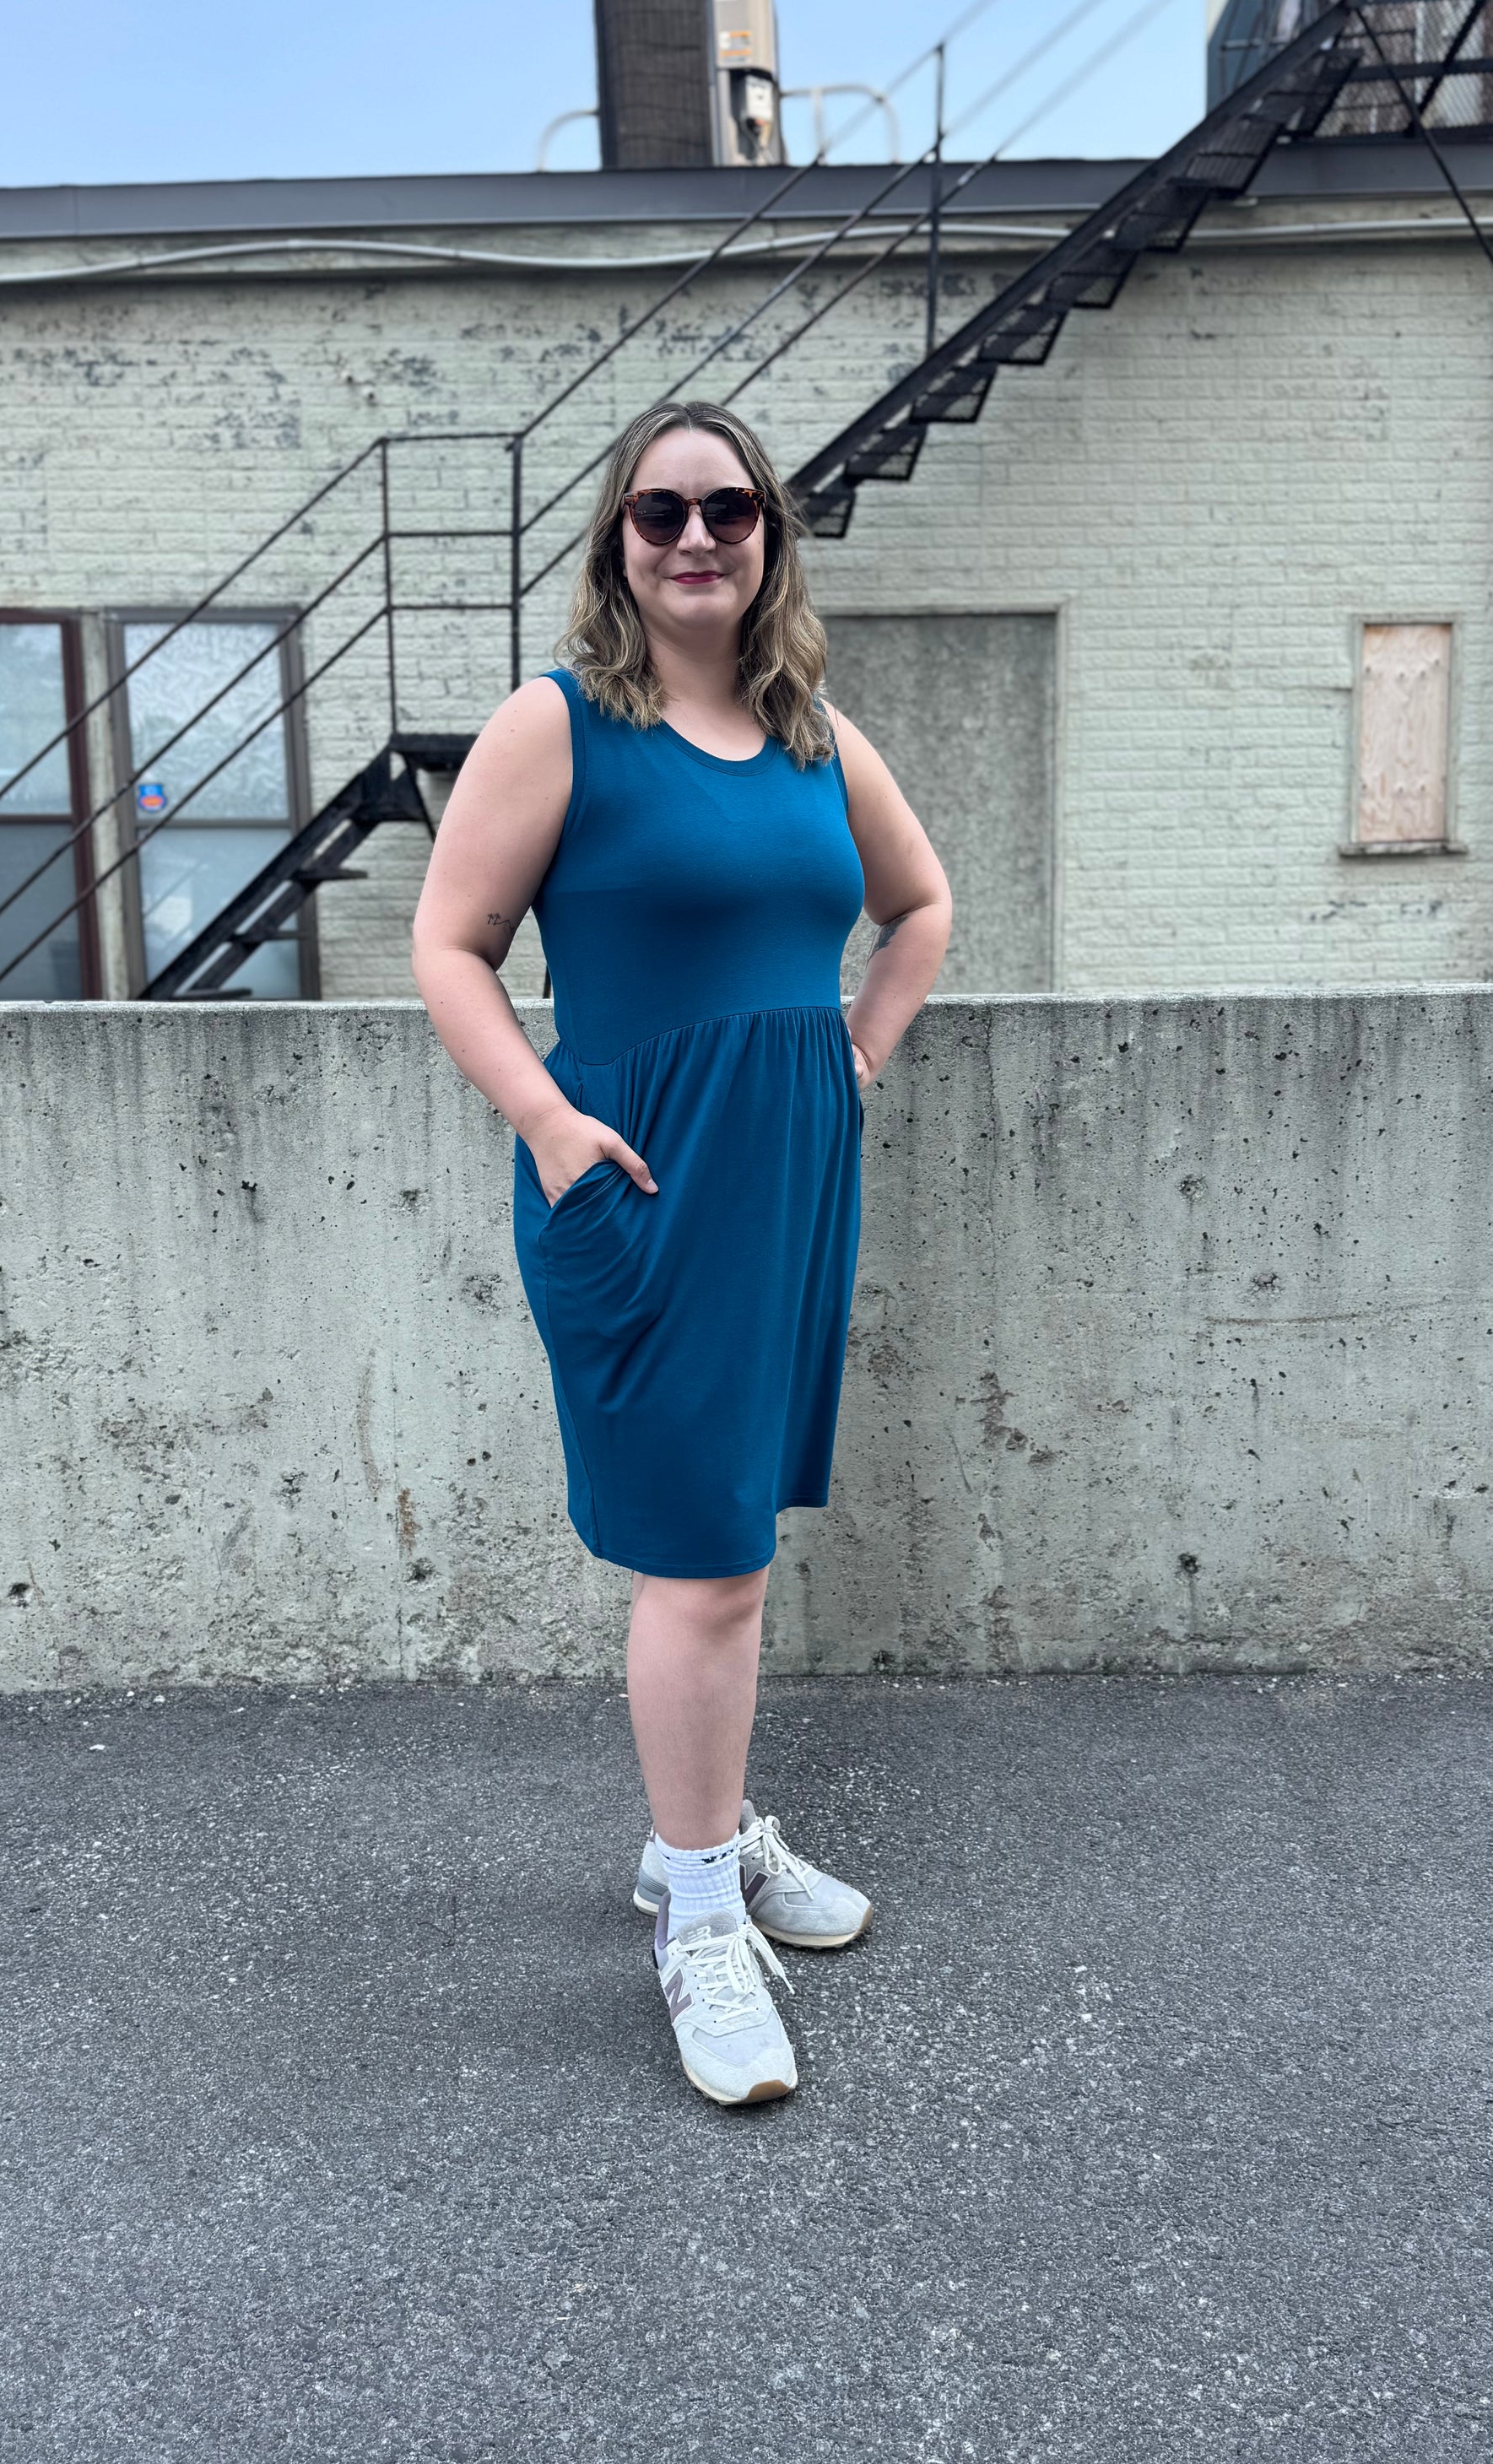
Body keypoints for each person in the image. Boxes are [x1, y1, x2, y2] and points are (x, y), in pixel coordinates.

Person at [412, 398, 951, 2105]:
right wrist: (551, 1127)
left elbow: (920, 902)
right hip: (635, 1180)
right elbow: (448, 940)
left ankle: (694, 1834)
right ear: (617, 545)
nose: (697, 534)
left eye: (729, 507)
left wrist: (853, 1050)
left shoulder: (814, 739)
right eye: (661, 511)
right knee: (699, 1558)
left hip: (784, 1182)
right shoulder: (557, 726)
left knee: (731, 1548)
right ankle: (701, 1909)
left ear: (772, 534)